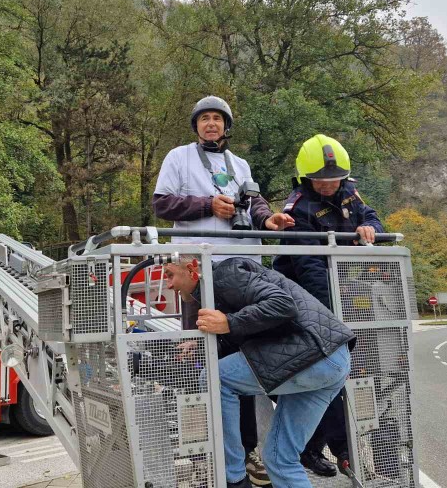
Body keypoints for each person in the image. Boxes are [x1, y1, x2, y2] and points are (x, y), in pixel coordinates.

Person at [153, 95, 293, 486]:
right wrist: (206, 205)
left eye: (217, 119)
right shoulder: (178, 157)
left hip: (242, 273)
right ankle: (203, 452)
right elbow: (162, 204)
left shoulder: (239, 164)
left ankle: (246, 453)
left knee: (242, 362)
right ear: (196, 126)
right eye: (205, 119)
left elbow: (255, 202)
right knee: (199, 359)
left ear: (226, 127)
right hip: (199, 272)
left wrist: (270, 220)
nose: (211, 124)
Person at [164, 255, 354, 488]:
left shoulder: (224, 274)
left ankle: (233, 477)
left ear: (192, 268)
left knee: (216, 378)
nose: (169, 285)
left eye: (170, 275)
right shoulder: (218, 290)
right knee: (279, 459)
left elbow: (283, 305)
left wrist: (229, 323)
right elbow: (247, 338)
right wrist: (205, 344)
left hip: (313, 354)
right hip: (334, 359)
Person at [273, 134, 383, 478]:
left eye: (333, 179)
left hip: (342, 293)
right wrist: (334, 320)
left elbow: (373, 218)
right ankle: (327, 449)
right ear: (306, 178)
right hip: (308, 298)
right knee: (327, 375)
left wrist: (370, 228)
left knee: (340, 375)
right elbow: (309, 268)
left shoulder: (349, 191)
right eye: (320, 180)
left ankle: (321, 449)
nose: (327, 185)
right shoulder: (299, 207)